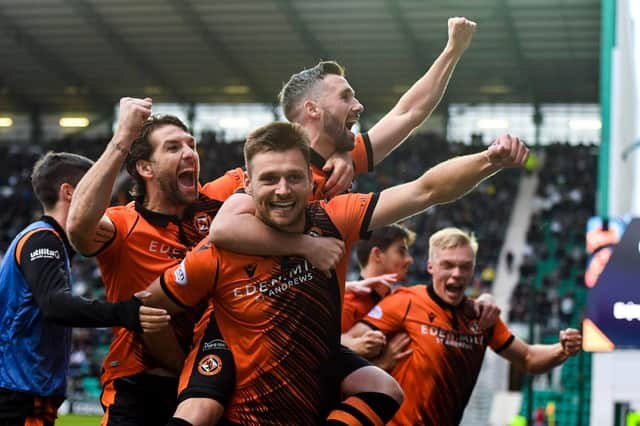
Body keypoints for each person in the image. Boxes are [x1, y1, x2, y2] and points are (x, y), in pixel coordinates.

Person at [141, 120, 529, 424]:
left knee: (383, 390)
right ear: (247, 184)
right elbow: (148, 306)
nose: (282, 190)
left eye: (294, 177)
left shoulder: (333, 218)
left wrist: (488, 160)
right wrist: (175, 360)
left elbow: (424, 190)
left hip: (310, 405)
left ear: (311, 181)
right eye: (269, 179)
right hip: (243, 415)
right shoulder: (220, 250)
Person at [66, 99, 347, 426]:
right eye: (173, 147)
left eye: (192, 145)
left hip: (216, 379)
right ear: (145, 168)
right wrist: (124, 135)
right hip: (143, 381)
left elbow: (290, 159)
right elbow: (78, 228)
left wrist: (342, 155)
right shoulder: (123, 224)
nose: (189, 153)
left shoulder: (218, 198)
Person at [345, 227, 583, 426]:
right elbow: (344, 341)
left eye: (465, 266)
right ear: (431, 267)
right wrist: (378, 361)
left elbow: (529, 358)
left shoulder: (482, 317)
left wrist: (560, 350)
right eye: (448, 265)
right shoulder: (404, 302)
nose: (456, 274)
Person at [0, 152, 169, 426]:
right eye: (96, 188)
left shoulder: (46, 240)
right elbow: (55, 305)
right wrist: (124, 312)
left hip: (23, 393)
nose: (104, 199)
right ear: (69, 193)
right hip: (20, 396)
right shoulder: (43, 238)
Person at [342, 224, 500, 369]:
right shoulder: (348, 304)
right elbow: (324, 359)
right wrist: (378, 363)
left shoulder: (399, 301)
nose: (409, 259)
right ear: (377, 255)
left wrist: (485, 299)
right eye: (401, 251)